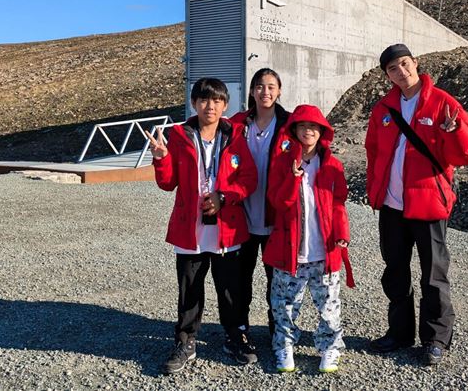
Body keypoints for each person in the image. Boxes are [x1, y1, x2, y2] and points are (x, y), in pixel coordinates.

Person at [365, 44, 468, 366]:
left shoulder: (442, 102)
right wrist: (376, 189)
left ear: (415, 63)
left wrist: (456, 131)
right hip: (392, 206)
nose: (401, 71)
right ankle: (399, 333)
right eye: (392, 68)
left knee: (433, 274)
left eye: (404, 63)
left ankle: (435, 338)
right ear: (387, 75)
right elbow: (373, 152)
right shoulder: (383, 110)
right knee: (395, 271)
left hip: (428, 203)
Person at [145, 78, 259, 374]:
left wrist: (225, 197)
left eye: (217, 101)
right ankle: (185, 341)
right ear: (194, 103)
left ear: (225, 105)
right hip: (190, 230)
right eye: (204, 100)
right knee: (189, 289)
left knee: (230, 290)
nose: (211, 106)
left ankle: (234, 337)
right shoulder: (179, 135)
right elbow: (168, 183)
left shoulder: (236, 136)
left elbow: (248, 180)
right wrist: (162, 159)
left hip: (227, 229)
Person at [263, 104, 355, 374]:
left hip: (324, 251)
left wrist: (342, 234)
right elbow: (277, 202)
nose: (308, 131)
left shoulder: (332, 165)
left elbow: (339, 204)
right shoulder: (282, 162)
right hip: (289, 251)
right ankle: (284, 347)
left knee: (329, 307)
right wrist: (292, 179)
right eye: (302, 126)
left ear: (322, 131)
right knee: (284, 306)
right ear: (294, 130)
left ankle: (330, 348)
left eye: (314, 126)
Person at [229, 68, 292, 342]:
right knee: (240, 277)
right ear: (252, 91)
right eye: (259, 86)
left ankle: (277, 328)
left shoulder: (290, 124)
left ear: (279, 90)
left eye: (270, 86)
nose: (264, 92)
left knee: (277, 279)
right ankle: (239, 327)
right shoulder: (237, 124)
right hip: (241, 214)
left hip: (275, 215)